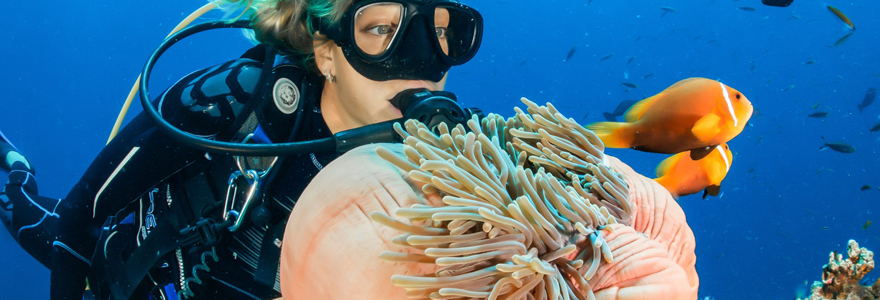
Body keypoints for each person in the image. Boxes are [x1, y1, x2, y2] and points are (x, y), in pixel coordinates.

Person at [0, 0, 484, 299]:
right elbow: (81, 212)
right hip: (131, 272)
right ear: (326, 53)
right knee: (28, 215)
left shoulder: (458, 154)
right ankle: (16, 175)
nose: (424, 60)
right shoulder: (235, 103)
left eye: (443, 31)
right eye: (380, 29)